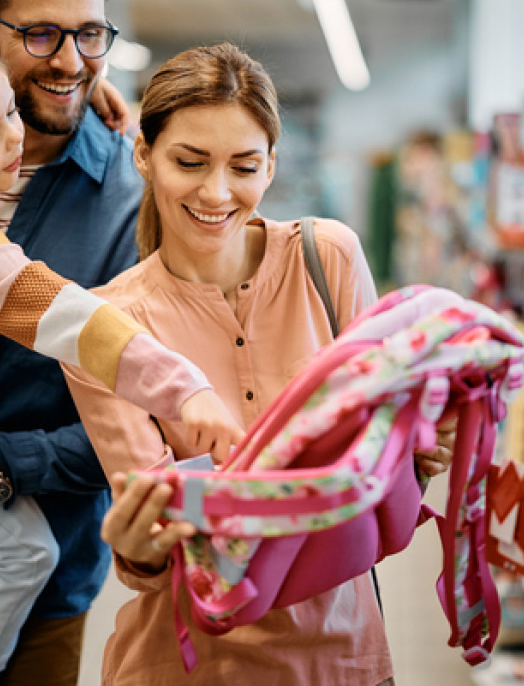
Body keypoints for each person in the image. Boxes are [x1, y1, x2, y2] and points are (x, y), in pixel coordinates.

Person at [63, 42, 456, 686]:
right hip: (186, 667)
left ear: (272, 165)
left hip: (343, 659)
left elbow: (384, 492)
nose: (217, 192)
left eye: (244, 166)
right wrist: (137, 549)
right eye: (189, 162)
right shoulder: (108, 327)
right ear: (144, 155)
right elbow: (154, 552)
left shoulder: (326, 260)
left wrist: (414, 456)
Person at [0, 28, 242, 685]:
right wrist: (188, 391)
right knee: (28, 551)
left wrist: (84, 96)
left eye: (10, 108)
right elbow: (87, 327)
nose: (15, 138)